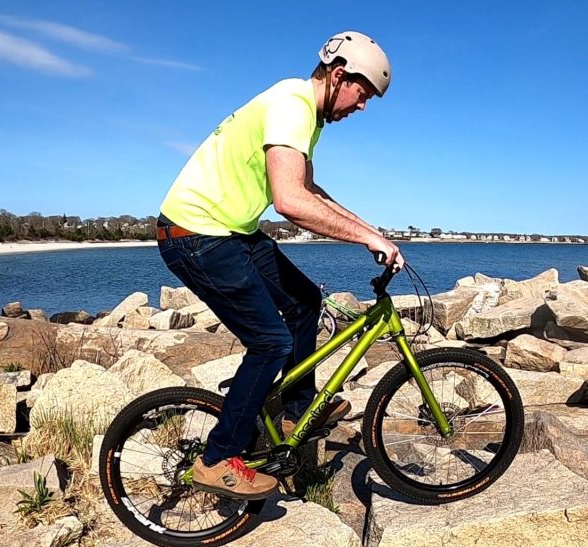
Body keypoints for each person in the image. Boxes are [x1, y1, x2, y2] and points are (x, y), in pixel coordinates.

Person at [156, 31, 404, 500]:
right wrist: (367, 237)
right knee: (270, 342)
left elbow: (310, 189)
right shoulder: (292, 104)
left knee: (306, 303)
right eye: (363, 93)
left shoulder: (305, 116)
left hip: (229, 231)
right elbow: (291, 202)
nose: (363, 106)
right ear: (338, 76)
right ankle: (216, 460)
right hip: (196, 235)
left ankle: (297, 409)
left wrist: (373, 232)